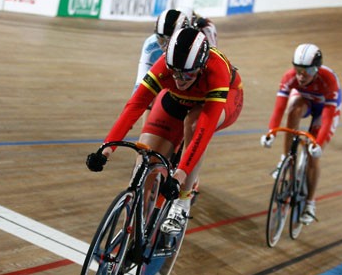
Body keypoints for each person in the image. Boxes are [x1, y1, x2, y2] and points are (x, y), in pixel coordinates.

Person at [86, 27, 243, 236]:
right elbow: (135, 106)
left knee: (193, 125)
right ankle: (131, 233)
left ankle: (183, 202)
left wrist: (179, 176)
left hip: (222, 101)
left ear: (201, 67)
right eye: (175, 72)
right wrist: (106, 149)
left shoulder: (217, 71)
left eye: (188, 74)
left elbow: (203, 133)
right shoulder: (164, 68)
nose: (180, 79)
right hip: (176, 99)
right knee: (145, 160)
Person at [260, 44, 342, 225]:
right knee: (293, 110)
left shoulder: (328, 80)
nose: (301, 75)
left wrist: (318, 144)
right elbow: (279, 107)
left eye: (307, 71)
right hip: (306, 101)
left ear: (317, 69)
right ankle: (286, 158)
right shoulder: (290, 77)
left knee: (313, 156)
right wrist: (271, 131)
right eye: (298, 69)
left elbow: (327, 118)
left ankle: (310, 204)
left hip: (325, 109)